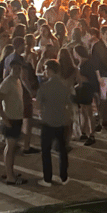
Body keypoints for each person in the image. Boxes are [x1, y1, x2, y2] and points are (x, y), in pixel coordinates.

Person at [36, 58, 71, 186]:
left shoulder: (44, 87)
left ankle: (47, 178)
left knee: (46, 151)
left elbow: (38, 104)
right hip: (61, 121)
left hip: (47, 121)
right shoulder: (64, 86)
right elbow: (68, 103)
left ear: (50, 70)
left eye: (45, 69)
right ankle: (64, 177)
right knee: (62, 150)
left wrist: (41, 113)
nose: (44, 72)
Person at [0, 60, 27, 184]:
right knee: (10, 148)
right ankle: (10, 176)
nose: (17, 71)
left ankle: (9, 171)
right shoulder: (7, 83)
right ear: (10, 69)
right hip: (10, 119)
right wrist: (4, 118)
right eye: (15, 68)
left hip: (16, 118)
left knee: (11, 148)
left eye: (19, 68)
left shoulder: (17, 81)